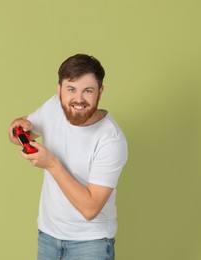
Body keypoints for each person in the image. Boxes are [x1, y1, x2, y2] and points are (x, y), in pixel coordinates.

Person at [9, 54, 128, 260]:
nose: (78, 99)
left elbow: (90, 209)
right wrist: (19, 126)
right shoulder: (54, 107)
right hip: (48, 236)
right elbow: (18, 132)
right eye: (71, 89)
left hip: (91, 245)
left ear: (100, 91)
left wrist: (52, 164)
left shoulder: (111, 140)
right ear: (59, 90)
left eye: (88, 91)